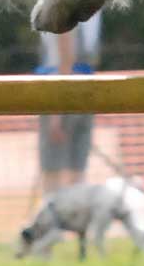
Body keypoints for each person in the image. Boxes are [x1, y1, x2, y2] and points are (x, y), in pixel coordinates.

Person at [37, 13, 102, 196]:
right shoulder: (94, 14)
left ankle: (53, 219)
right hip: (87, 92)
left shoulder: (64, 8)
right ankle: (76, 217)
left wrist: (55, 115)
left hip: (60, 93)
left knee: (52, 169)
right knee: (77, 169)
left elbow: (66, 60)